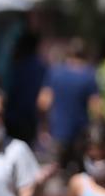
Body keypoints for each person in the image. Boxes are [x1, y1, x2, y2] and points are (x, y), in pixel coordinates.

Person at [37, 38, 101, 172]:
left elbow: (43, 102)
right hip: (81, 134)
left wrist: (44, 125)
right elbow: (97, 108)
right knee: (81, 173)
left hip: (58, 131)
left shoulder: (55, 72)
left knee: (55, 171)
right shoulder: (89, 75)